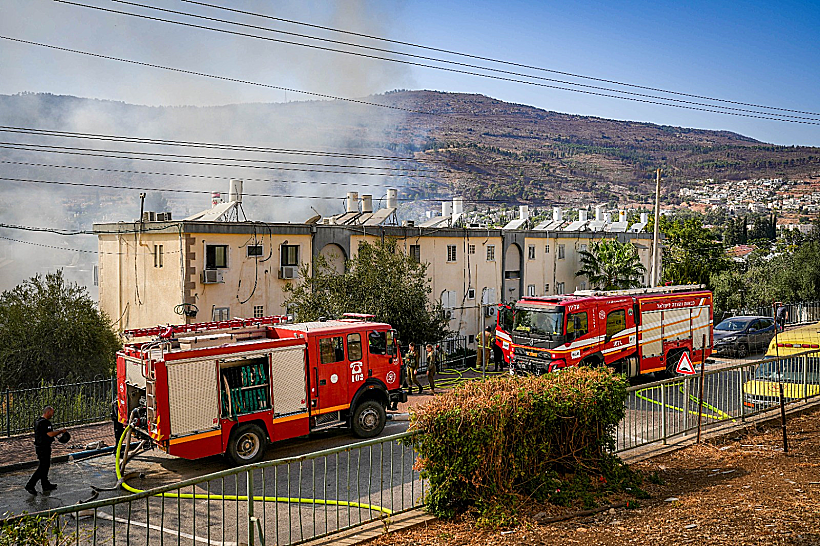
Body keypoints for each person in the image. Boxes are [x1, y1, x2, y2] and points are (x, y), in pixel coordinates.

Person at [25, 406, 67, 495]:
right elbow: (50, 434)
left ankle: (45, 484)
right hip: (43, 447)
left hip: (40, 446)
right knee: (43, 467)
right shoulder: (45, 423)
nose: (52, 415)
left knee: (45, 466)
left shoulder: (38, 421)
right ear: (48, 412)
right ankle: (30, 485)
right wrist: (61, 431)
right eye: (52, 413)